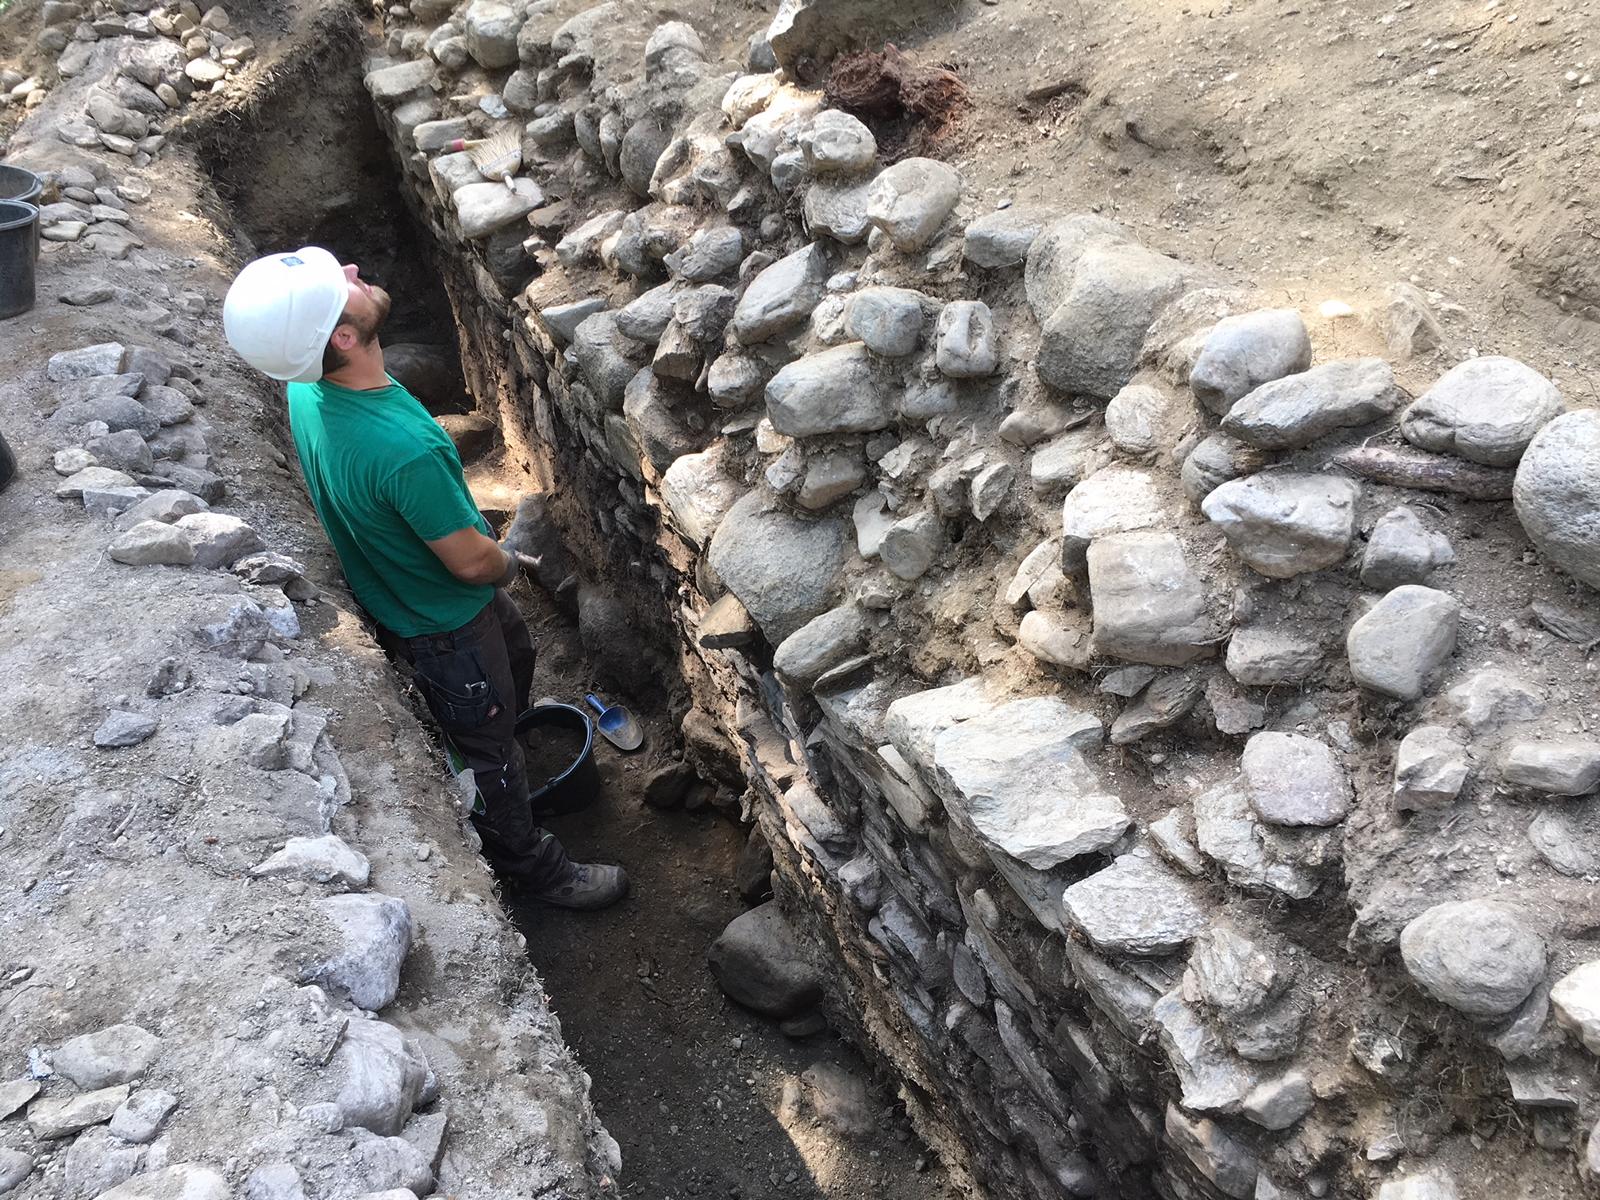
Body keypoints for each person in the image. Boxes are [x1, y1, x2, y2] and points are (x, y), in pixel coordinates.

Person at [221, 246, 627, 910]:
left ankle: (503, 743)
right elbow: (471, 563)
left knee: (519, 649)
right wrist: (506, 559)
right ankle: (534, 867)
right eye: (340, 286)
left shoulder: (304, 385)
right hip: (444, 624)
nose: (353, 271)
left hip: (424, 601)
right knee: (489, 754)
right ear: (345, 338)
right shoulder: (403, 450)